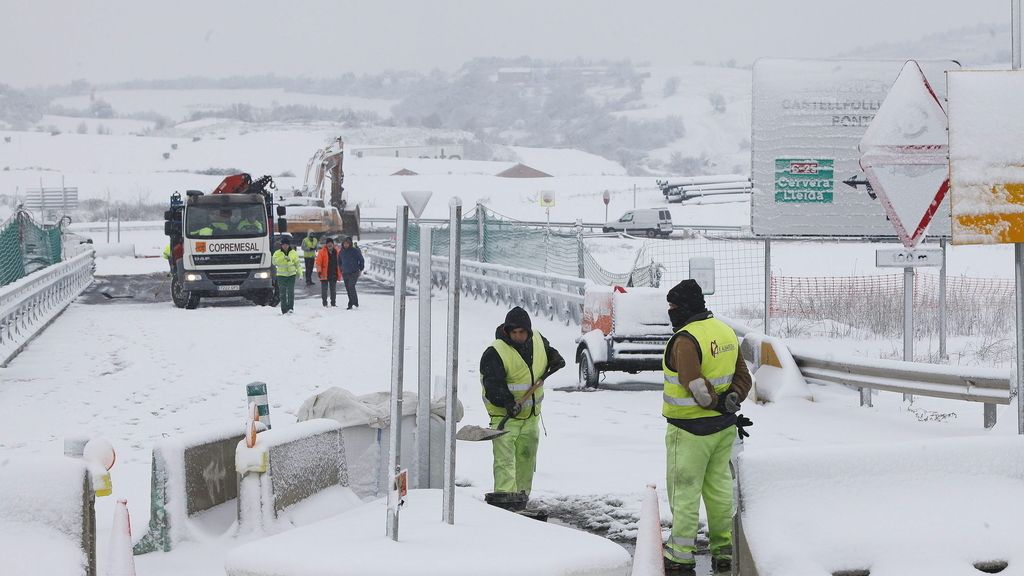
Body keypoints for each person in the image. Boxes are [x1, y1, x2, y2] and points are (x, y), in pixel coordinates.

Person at [661, 279, 752, 575]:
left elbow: (695, 385)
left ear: (684, 307)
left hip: (689, 431)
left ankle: (680, 556)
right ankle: (724, 550)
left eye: (673, 306)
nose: (671, 312)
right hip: (723, 429)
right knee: (720, 491)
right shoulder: (725, 331)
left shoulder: (685, 339)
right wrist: (730, 400)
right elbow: (743, 377)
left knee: (685, 492)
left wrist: (714, 401)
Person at [479, 306, 565, 500]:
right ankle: (504, 500)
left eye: (522, 332)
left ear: (528, 331)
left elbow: (548, 351)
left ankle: (521, 499)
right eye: (514, 332)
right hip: (505, 419)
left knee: (526, 459)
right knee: (505, 463)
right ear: (507, 331)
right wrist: (508, 402)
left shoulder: (537, 339)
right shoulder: (495, 352)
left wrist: (555, 358)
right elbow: (492, 385)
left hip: (531, 418)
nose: (518, 336)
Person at [272, 236, 301, 314]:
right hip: (281, 276)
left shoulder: (293, 253)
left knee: (290, 292)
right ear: (281, 245)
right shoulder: (277, 253)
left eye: (286, 245)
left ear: (289, 245)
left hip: (291, 275)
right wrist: (283, 258)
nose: (285, 246)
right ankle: (284, 309)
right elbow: (274, 262)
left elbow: (297, 264)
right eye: (283, 245)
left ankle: (290, 308)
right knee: (282, 293)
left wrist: (300, 273)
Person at [315, 237, 342, 307]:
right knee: (324, 290)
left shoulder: (337, 251)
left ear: (333, 244)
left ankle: (333, 303)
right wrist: (319, 271)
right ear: (326, 244)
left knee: (333, 290)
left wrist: (341, 270)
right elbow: (318, 262)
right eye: (328, 243)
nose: (330, 245)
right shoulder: (322, 252)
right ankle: (324, 303)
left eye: (331, 243)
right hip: (324, 274)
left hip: (334, 273)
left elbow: (341, 262)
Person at [338, 236, 364, 309]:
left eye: (347, 243)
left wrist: (361, 268)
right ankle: (351, 303)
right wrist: (341, 269)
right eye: (344, 244)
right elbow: (339, 261)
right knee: (348, 288)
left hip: (354, 272)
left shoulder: (355, 251)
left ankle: (355, 302)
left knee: (351, 286)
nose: (345, 245)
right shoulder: (341, 252)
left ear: (350, 244)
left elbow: (361, 259)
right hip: (345, 272)